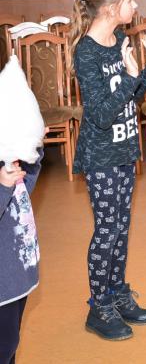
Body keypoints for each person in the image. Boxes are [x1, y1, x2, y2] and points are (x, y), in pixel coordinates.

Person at [70, 0, 146, 340]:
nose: (135, 5)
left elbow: (132, 97)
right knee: (107, 230)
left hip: (124, 148)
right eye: (129, 0)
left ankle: (117, 294)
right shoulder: (87, 52)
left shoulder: (120, 39)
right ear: (109, 8)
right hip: (101, 156)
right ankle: (99, 306)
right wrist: (128, 77)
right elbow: (100, 114)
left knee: (121, 229)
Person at [0, 148, 43, 361]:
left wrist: (34, 148)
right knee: (5, 345)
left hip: (15, 272)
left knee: (10, 343)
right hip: (3, 282)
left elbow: (23, 188)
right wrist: (3, 187)